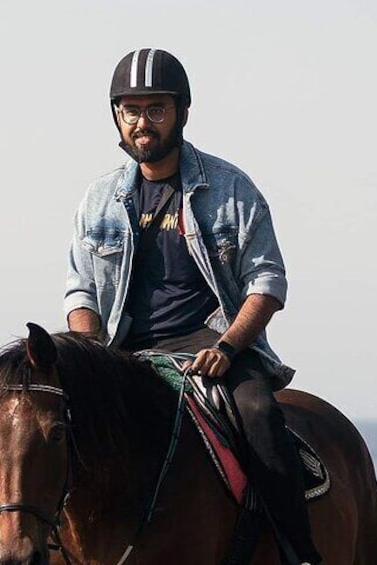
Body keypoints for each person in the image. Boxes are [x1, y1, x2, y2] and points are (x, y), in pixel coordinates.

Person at [64, 48, 322, 565]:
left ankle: (298, 552)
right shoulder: (98, 199)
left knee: (259, 414)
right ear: (117, 116)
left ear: (181, 111)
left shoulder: (229, 188)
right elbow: (81, 293)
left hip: (214, 346)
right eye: (131, 111)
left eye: (156, 109)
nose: (142, 123)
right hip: (127, 351)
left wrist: (229, 347)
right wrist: (92, 353)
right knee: (53, 428)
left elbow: (267, 281)